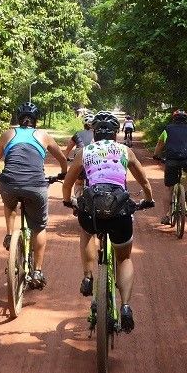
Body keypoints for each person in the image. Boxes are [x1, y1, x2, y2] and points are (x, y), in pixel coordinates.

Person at [62, 111, 154, 332]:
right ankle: (125, 307)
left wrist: (68, 201)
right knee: (124, 258)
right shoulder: (125, 150)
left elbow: (68, 183)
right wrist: (148, 200)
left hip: (92, 209)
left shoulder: (84, 152)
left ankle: (87, 276)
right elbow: (144, 181)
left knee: (86, 234)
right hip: (120, 210)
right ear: (116, 133)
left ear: (94, 132)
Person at [0, 102, 68, 289]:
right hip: (35, 185)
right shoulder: (43, 135)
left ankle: (10, 235)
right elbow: (62, 159)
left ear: (19, 119)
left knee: (10, 204)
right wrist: (63, 173)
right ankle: (37, 271)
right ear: (36, 121)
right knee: (39, 227)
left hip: (8, 183)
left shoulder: (8, 134)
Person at [153, 109, 187, 225]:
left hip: (171, 161)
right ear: (185, 120)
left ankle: (165, 216)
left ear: (174, 118)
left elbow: (160, 144)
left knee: (169, 188)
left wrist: (156, 155)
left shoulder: (167, 129)